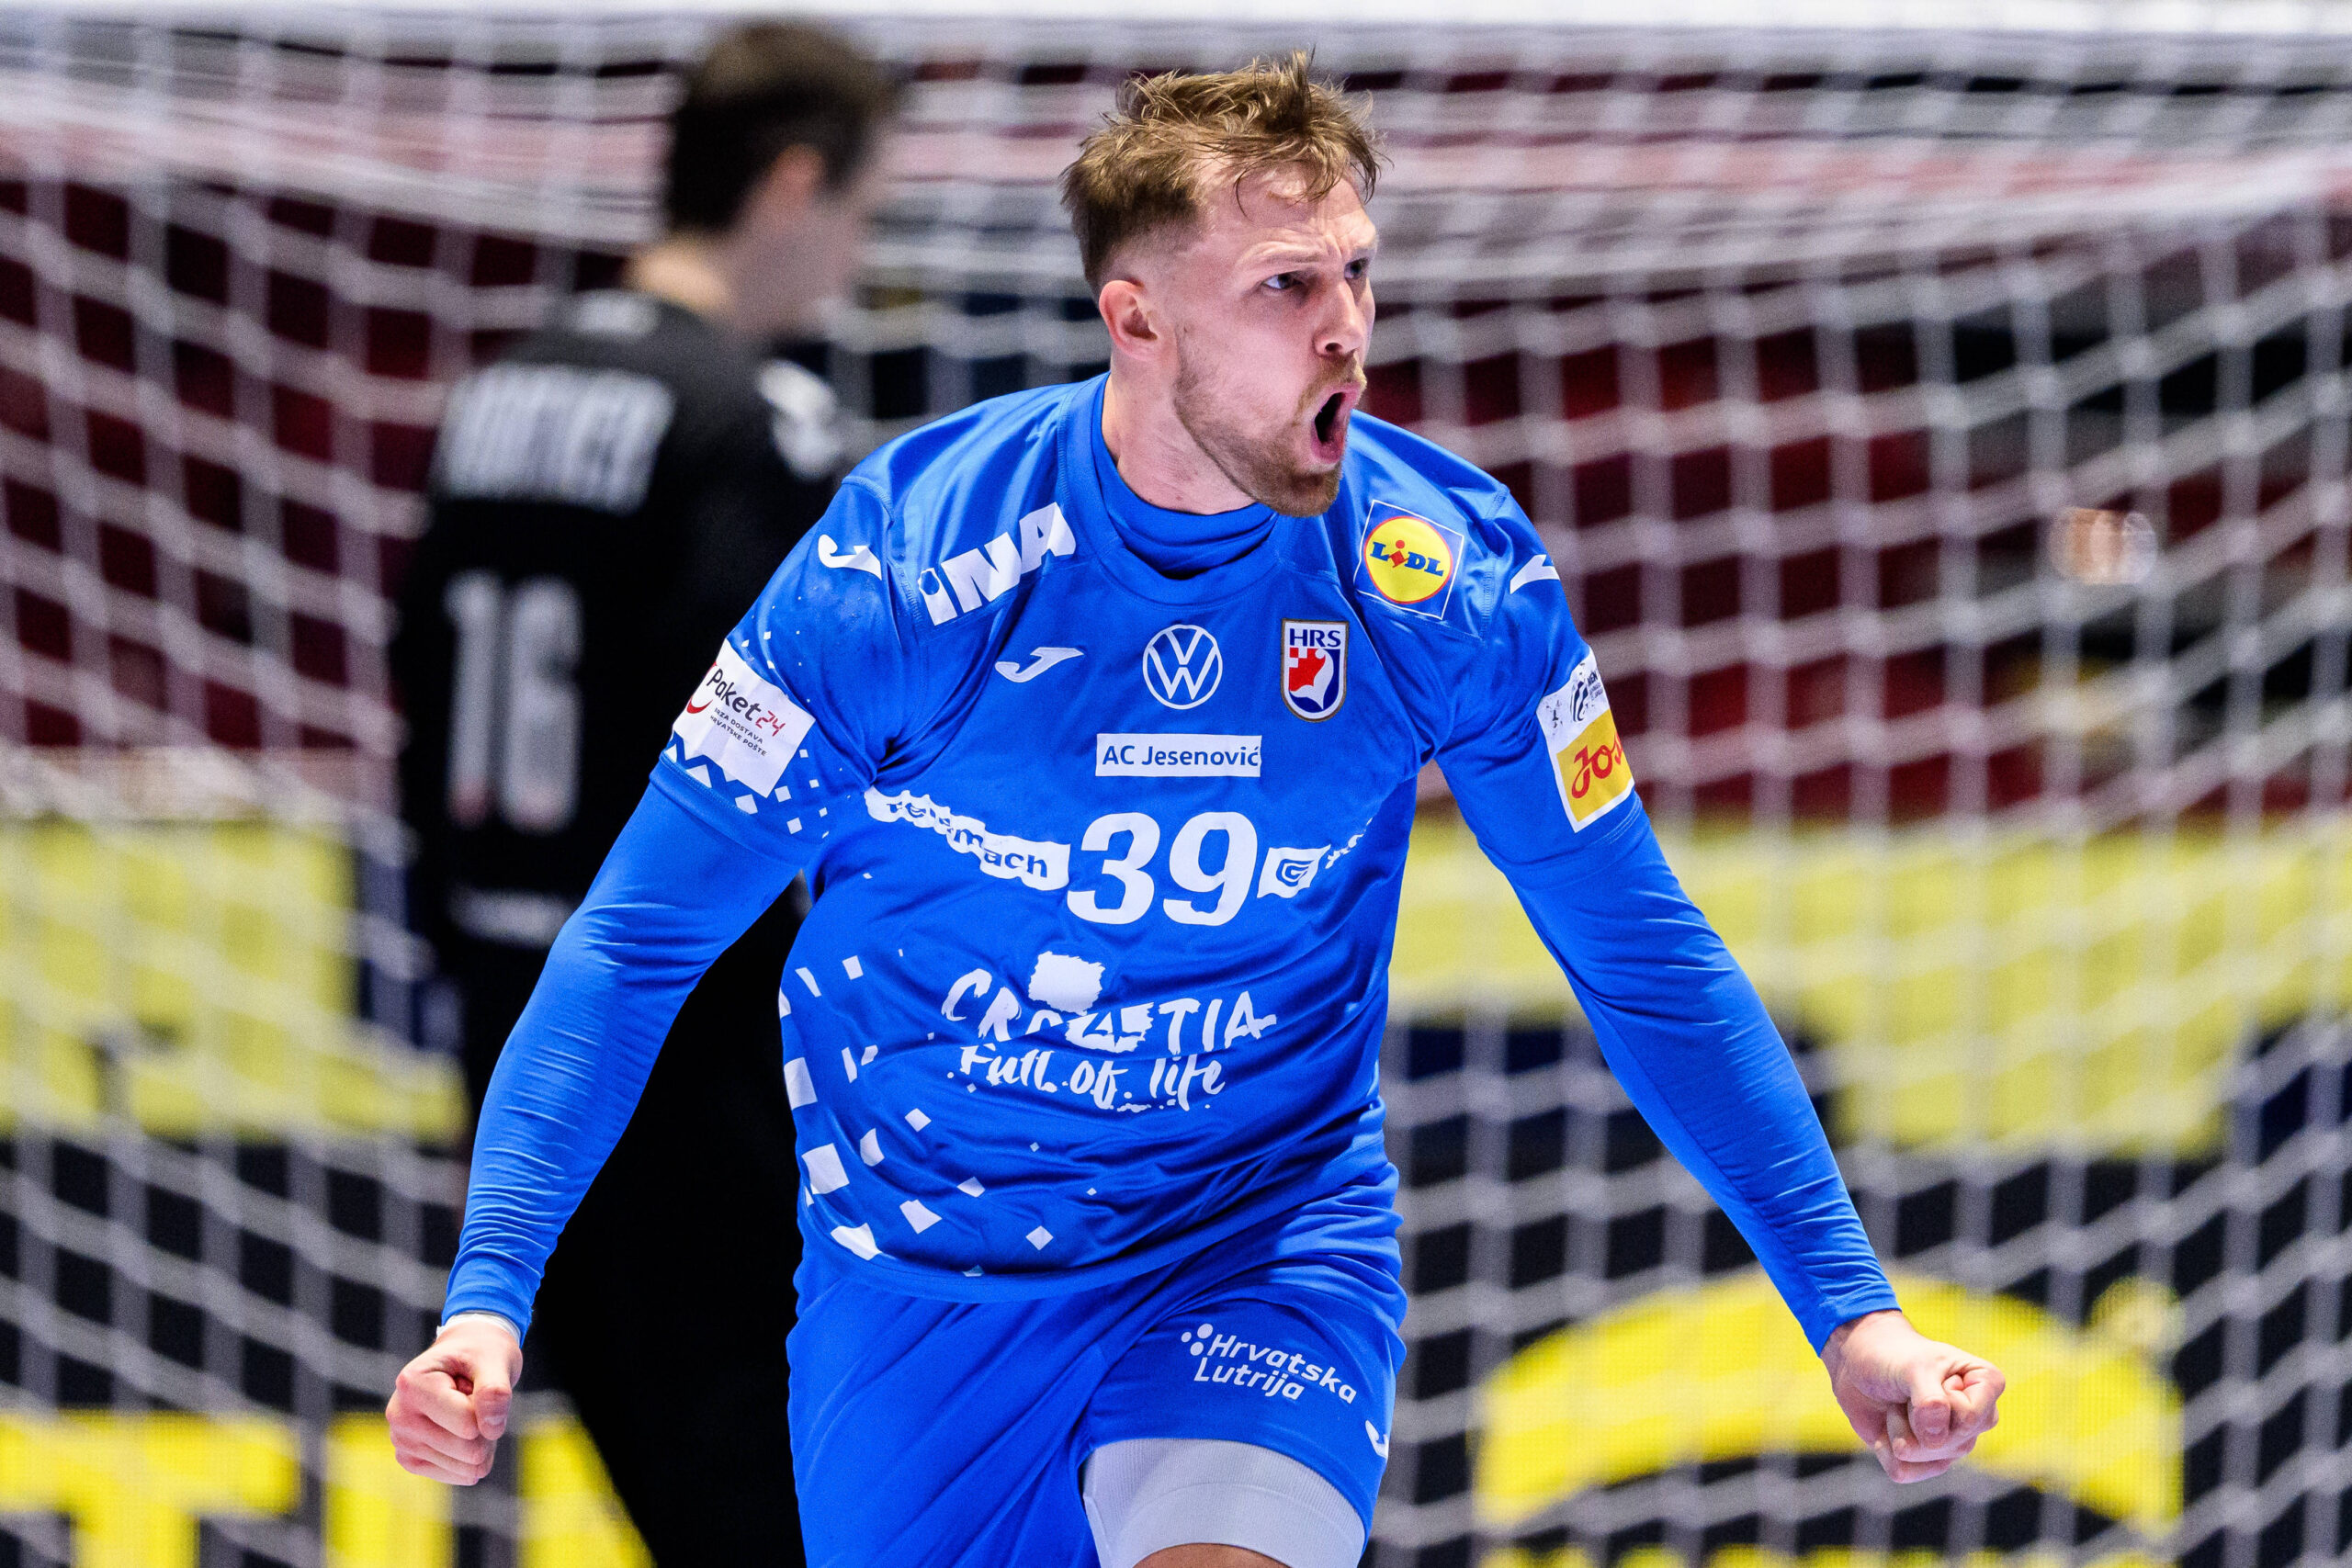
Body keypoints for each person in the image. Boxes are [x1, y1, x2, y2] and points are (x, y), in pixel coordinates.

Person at [388, 54, 2006, 1568]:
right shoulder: (903, 573)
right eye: (1287, 287)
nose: (1347, 330)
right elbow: (634, 943)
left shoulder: (1442, 581)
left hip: (1253, 1230)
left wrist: (1851, 1310)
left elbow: (1637, 948)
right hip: (926, 1261)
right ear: (1138, 320)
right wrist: (489, 1298)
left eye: (1357, 273)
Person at [388, 23, 895, 1564]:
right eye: (863, 211)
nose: (859, 257)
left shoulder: (500, 392)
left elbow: (417, 695)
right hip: (680, 1037)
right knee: (786, 1509)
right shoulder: (749, 417)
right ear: (793, 183)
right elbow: (776, 737)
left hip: (508, 1028)